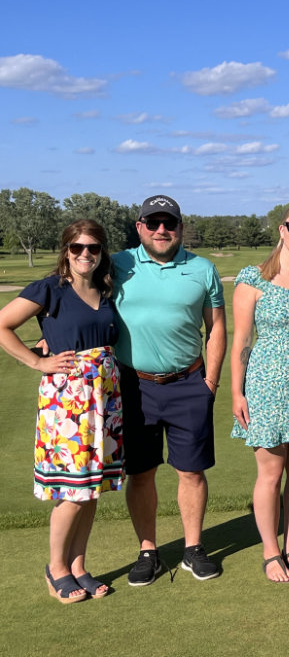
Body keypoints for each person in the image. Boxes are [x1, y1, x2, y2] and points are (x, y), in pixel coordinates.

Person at [0, 220, 123, 602]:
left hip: (104, 395)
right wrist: (37, 362)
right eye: (77, 248)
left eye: (93, 248)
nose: (85, 254)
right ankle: (56, 569)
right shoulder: (50, 289)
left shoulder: (106, 290)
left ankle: (79, 566)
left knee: (92, 487)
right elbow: (2, 326)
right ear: (65, 250)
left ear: (102, 252)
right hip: (68, 398)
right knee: (73, 489)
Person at [113, 195, 226, 585]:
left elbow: (216, 329)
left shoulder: (202, 269)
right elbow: (76, 297)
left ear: (180, 227)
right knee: (141, 473)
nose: (162, 230)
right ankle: (148, 551)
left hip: (188, 384)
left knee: (191, 472)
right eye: (154, 222)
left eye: (170, 223)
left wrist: (210, 381)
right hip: (134, 386)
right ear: (140, 226)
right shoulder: (117, 264)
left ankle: (193, 549)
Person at [230, 202, 289, 582]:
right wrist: (237, 394)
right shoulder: (253, 278)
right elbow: (241, 341)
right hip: (266, 384)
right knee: (270, 474)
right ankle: (271, 553)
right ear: (281, 228)